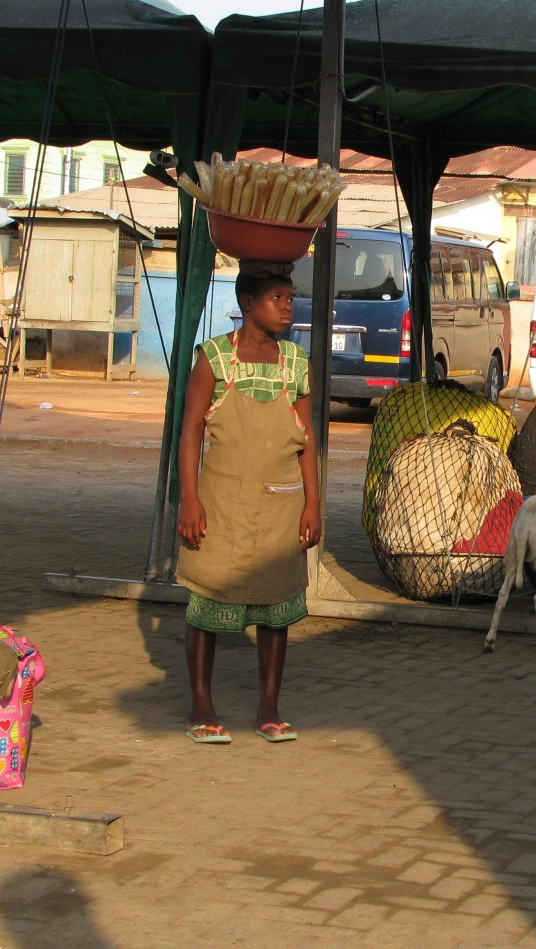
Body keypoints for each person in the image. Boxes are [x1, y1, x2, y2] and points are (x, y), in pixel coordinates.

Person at [175, 268, 321, 745]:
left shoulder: (297, 362)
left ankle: (269, 707)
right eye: (277, 297)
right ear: (246, 300)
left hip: (281, 503)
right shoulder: (213, 358)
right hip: (220, 502)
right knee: (208, 601)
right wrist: (189, 500)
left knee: (277, 608)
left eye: (291, 298)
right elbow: (192, 430)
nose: (287, 306)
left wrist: (313, 504)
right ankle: (201, 704)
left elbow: (307, 439)